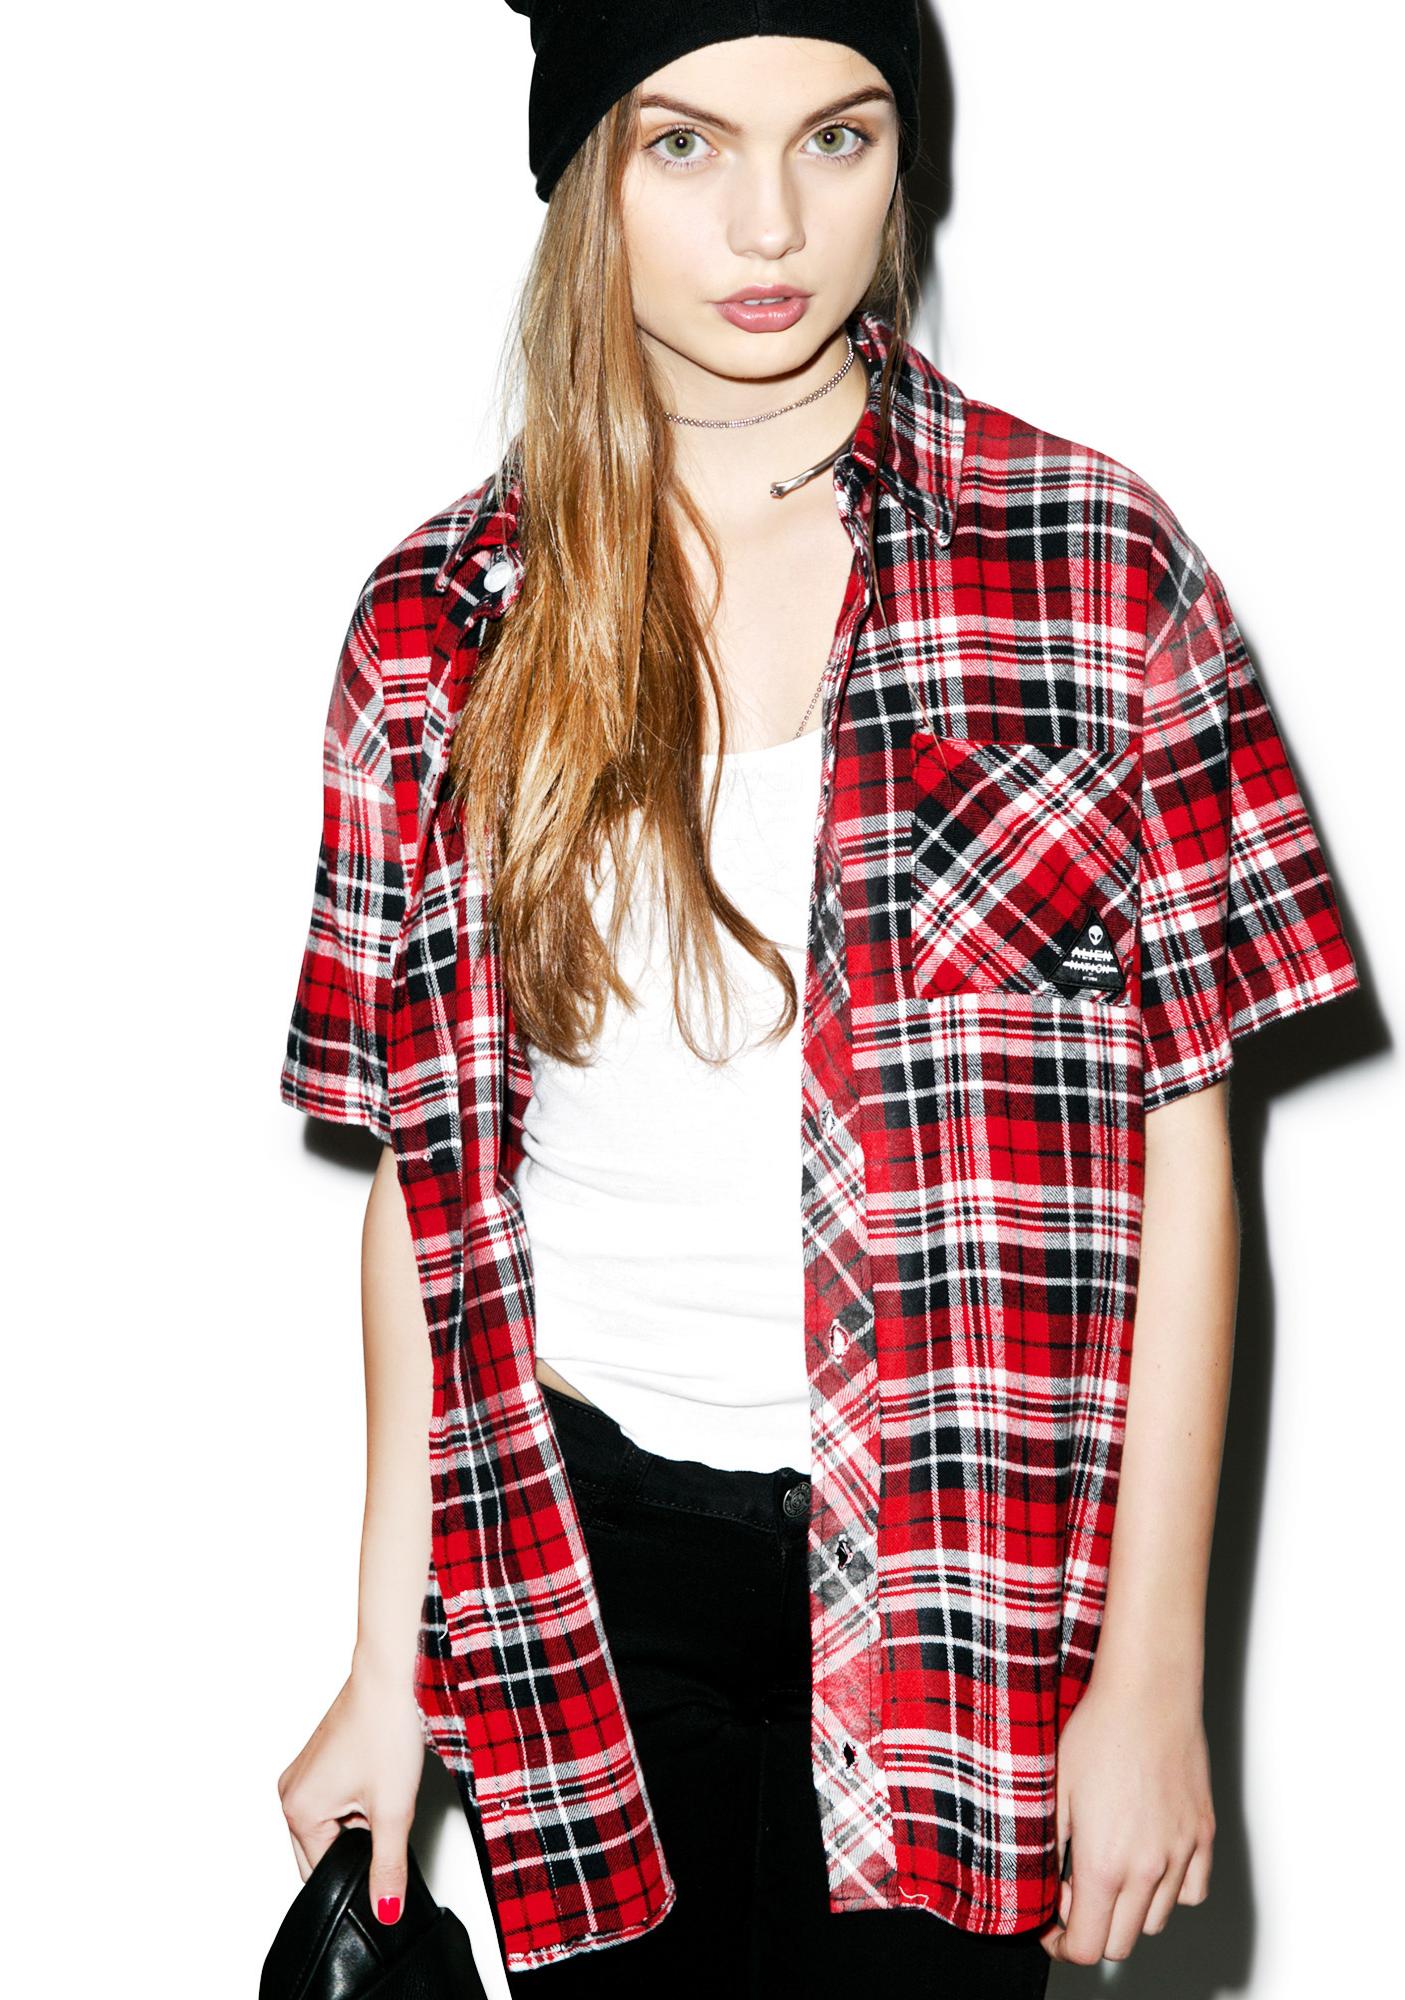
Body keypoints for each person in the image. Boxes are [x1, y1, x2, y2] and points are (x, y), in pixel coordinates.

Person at [272, 4, 1362, 1993]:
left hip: (965, 1581)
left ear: (900, 160)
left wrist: (1151, 1676)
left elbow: (1185, 1156)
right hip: (579, 1581)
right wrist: (379, 1666)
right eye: (685, 144)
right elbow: (423, 1203)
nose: (770, 222)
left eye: (835, 138)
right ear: (586, 176)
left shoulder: (1096, 571)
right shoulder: (437, 623)